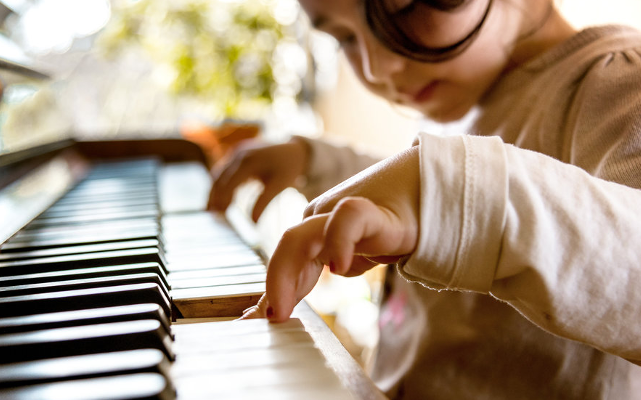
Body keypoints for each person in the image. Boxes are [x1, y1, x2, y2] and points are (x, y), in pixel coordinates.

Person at [207, 0, 641, 398]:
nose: (377, 69)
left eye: (403, 6)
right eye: (343, 38)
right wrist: (317, 160)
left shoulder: (619, 83)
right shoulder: (476, 95)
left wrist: (447, 190)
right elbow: (421, 199)